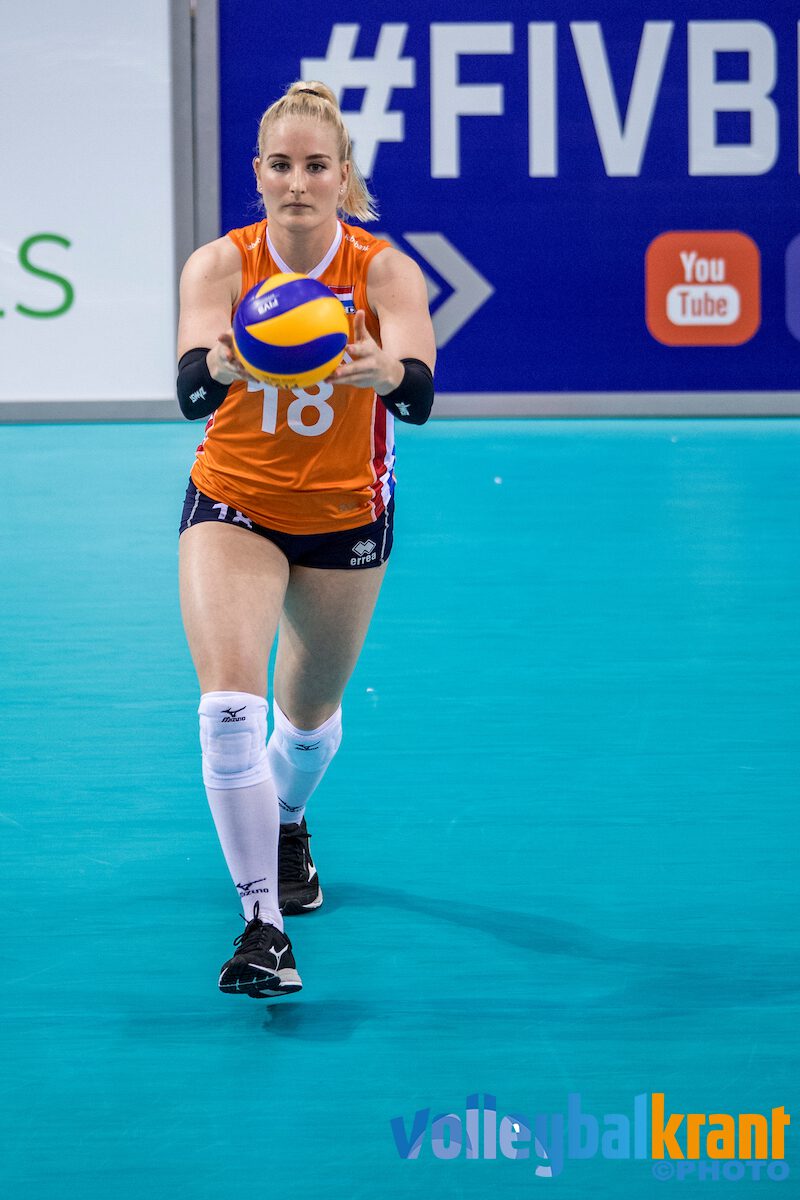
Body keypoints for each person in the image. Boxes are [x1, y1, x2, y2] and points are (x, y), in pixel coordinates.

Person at [175, 81, 436, 999]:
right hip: (235, 503)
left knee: (309, 723)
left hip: (345, 515)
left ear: (343, 175)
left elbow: (421, 396)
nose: (297, 182)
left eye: (316, 166)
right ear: (258, 173)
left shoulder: (383, 273)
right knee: (228, 712)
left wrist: (385, 370)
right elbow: (190, 392)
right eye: (280, 165)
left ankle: (286, 819)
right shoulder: (221, 266)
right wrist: (220, 362)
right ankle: (263, 928)